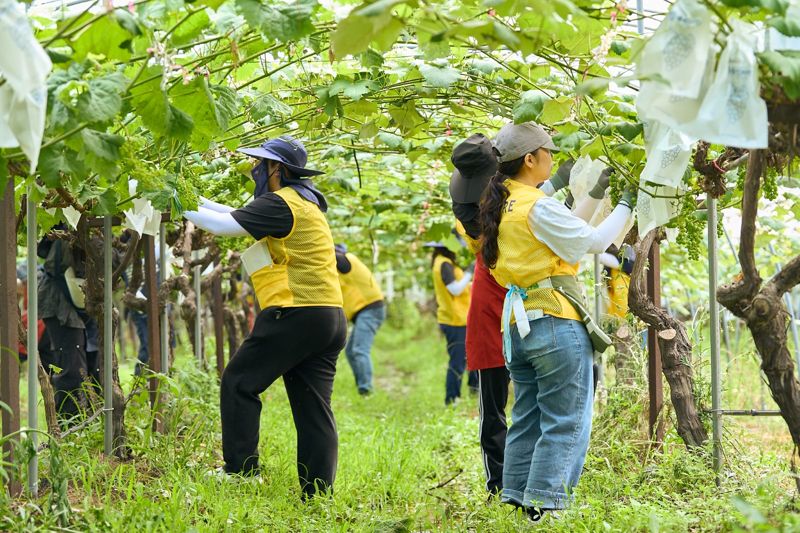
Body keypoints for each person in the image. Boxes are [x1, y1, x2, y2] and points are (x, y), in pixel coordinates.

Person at [479, 122, 633, 519]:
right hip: (553, 322)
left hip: (518, 328)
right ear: (531, 159)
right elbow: (593, 242)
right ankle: (546, 508)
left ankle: (515, 499)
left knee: (528, 416)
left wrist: (597, 193)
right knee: (566, 419)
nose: (554, 158)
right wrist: (629, 204)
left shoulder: (505, 203)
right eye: (549, 151)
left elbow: (566, 233)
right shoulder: (537, 205)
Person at [184, 136, 346, 498]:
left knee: (239, 382)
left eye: (261, 163)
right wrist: (186, 194)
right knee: (313, 408)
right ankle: (317, 494)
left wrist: (172, 200)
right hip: (329, 316)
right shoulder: (303, 202)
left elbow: (224, 227)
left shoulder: (282, 204)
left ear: (278, 169)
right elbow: (229, 213)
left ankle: (240, 471)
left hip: (296, 312)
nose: (254, 169)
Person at [448, 133, 575, 496]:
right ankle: (501, 484)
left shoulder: (509, 200)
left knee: (526, 402)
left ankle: (522, 480)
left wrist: (560, 177)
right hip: (499, 306)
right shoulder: (476, 213)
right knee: (500, 406)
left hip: (523, 303)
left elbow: (533, 204)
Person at [37, 227, 101, 424]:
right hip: (61, 304)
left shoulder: (84, 226)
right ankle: (69, 426)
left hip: (78, 303)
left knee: (92, 364)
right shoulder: (68, 224)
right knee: (72, 368)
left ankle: (89, 418)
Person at [427, 241, 477, 404]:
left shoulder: (442, 262)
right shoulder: (444, 264)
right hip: (454, 319)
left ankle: (474, 391)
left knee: (470, 357)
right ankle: (452, 399)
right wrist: (470, 272)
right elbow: (455, 289)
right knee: (457, 360)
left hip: (460, 317)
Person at [335, 244, 385, 396]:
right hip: (365, 311)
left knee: (359, 349)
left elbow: (330, 255)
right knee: (351, 351)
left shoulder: (346, 260)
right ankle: (362, 387)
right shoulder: (342, 271)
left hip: (370, 309)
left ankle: (366, 390)